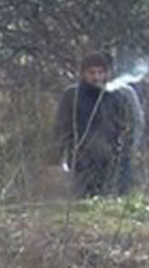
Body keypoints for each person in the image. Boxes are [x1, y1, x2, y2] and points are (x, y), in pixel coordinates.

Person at [54, 52, 130, 198]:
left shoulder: (115, 96)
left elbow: (123, 126)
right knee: (79, 199)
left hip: (109, 160)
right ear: (83, 74)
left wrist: (120, 151)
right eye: (92, 73)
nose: (96, 77)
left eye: (101, 73)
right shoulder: (72, 95)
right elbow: (61, 126)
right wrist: (60, 154)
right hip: (80, 159)